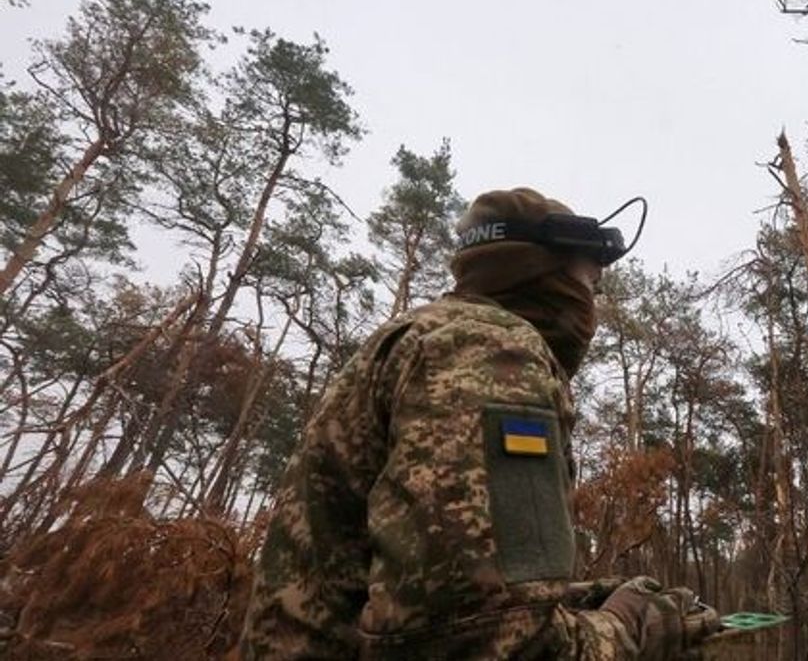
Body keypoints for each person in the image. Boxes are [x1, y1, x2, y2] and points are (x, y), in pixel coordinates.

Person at [242, 188, 719, 659]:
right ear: (544, 274)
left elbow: (410, 589)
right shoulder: (491, 352)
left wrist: (577, 600)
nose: (592, 305)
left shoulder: (421, 337)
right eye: (591, 286)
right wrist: (632, 627)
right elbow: (475, 639)